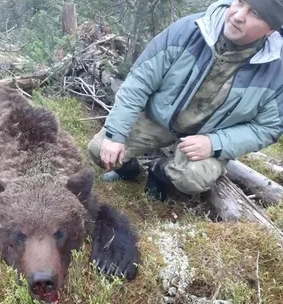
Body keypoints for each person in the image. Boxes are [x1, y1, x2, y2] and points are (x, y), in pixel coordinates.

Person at [88, 0, 283, 201]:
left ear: (270, 30)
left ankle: (159, 172)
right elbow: (139, 82)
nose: (238, 15)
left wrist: (215, 143)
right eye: (240, 2)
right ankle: (129, 172)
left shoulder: (277, 71)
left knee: (193, 179)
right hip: (158, 119)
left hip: (209, 136)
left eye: (255, 14)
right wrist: (116, 135)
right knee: (100, 148)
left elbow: (267, 128)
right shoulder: (190, 30)